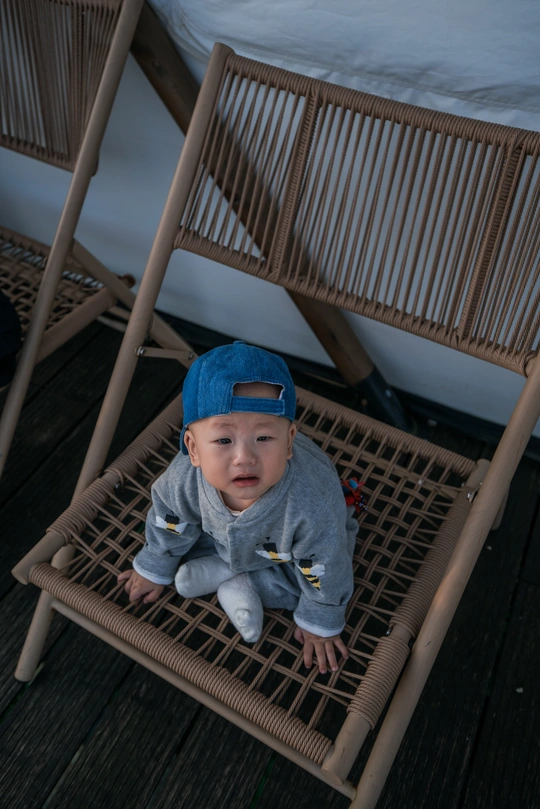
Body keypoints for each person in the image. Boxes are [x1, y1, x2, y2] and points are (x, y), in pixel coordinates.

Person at [118, 341, 358, 674]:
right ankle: (225, 569)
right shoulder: (184, 480)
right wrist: (155, 564)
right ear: (193, 448)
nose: (244, 457)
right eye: (223, 440)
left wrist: (320, 619)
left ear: (289, 442)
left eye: (264, 438)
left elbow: (326, 565)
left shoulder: (309, 505)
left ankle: (240, 583)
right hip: (220, 536)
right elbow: (168, 519)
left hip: (286, 558)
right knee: (181, 532)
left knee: (308, 581)